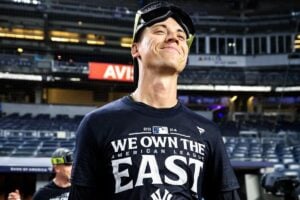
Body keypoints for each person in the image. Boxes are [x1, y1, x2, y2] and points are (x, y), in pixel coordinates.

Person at [69, 1, 241, 200]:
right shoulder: (97, 124)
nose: (173, 38)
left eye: (181, 36)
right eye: (160, 31)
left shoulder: (208, 131)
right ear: (135, 49)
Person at [8, 148, 73, 200]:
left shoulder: (80, 190)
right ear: (57, 168)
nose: (73, 168)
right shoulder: (42, 194)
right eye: (69, 165)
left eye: (74, 165)